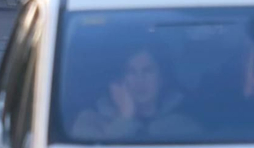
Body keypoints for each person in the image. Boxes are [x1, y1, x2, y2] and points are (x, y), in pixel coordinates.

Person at [71, 47, 200, 141]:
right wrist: (125, 118)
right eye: (131, 72)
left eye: (148, 71)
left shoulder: (182, 125)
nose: (140, 80)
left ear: (162, 78)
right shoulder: (89, 121)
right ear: (119, 80)